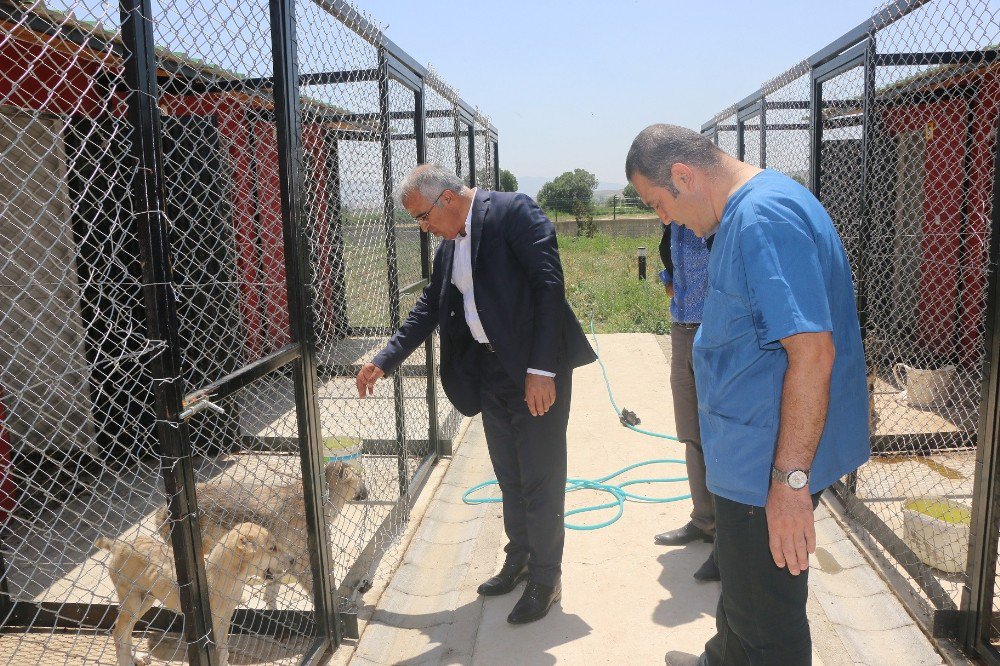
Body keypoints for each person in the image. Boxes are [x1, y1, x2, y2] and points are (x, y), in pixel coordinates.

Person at [626, 124, 870, 666]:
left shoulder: (763, 218)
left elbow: (813, 353)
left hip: (768, 466)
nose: (663, 218)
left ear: (684, 176)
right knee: (741, 588)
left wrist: (789, 485)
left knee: (768, 624)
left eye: (659, 203)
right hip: (746, 453)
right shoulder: (747, 210)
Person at [355, 164, 596, 625]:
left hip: (533, 372)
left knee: (541, 477)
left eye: (422, 217)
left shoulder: (513, 212)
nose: (423, 229)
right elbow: (431, 305)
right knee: (509, 474)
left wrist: (542, 369)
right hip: (489, 374)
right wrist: (384, 359)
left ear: (447, 198)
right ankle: (520, 558)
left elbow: (549, 288)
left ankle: (547, 577)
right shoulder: (449, 247)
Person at [654, 221, 719, 583]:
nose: (657, 208)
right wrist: (669, 278)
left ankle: (728, 542)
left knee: (718, 435)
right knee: (691, 434)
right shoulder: (675, 219)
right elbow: (673, 257)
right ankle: (704, 521)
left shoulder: (713, 214)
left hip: (715, 333)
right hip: (682, 329)